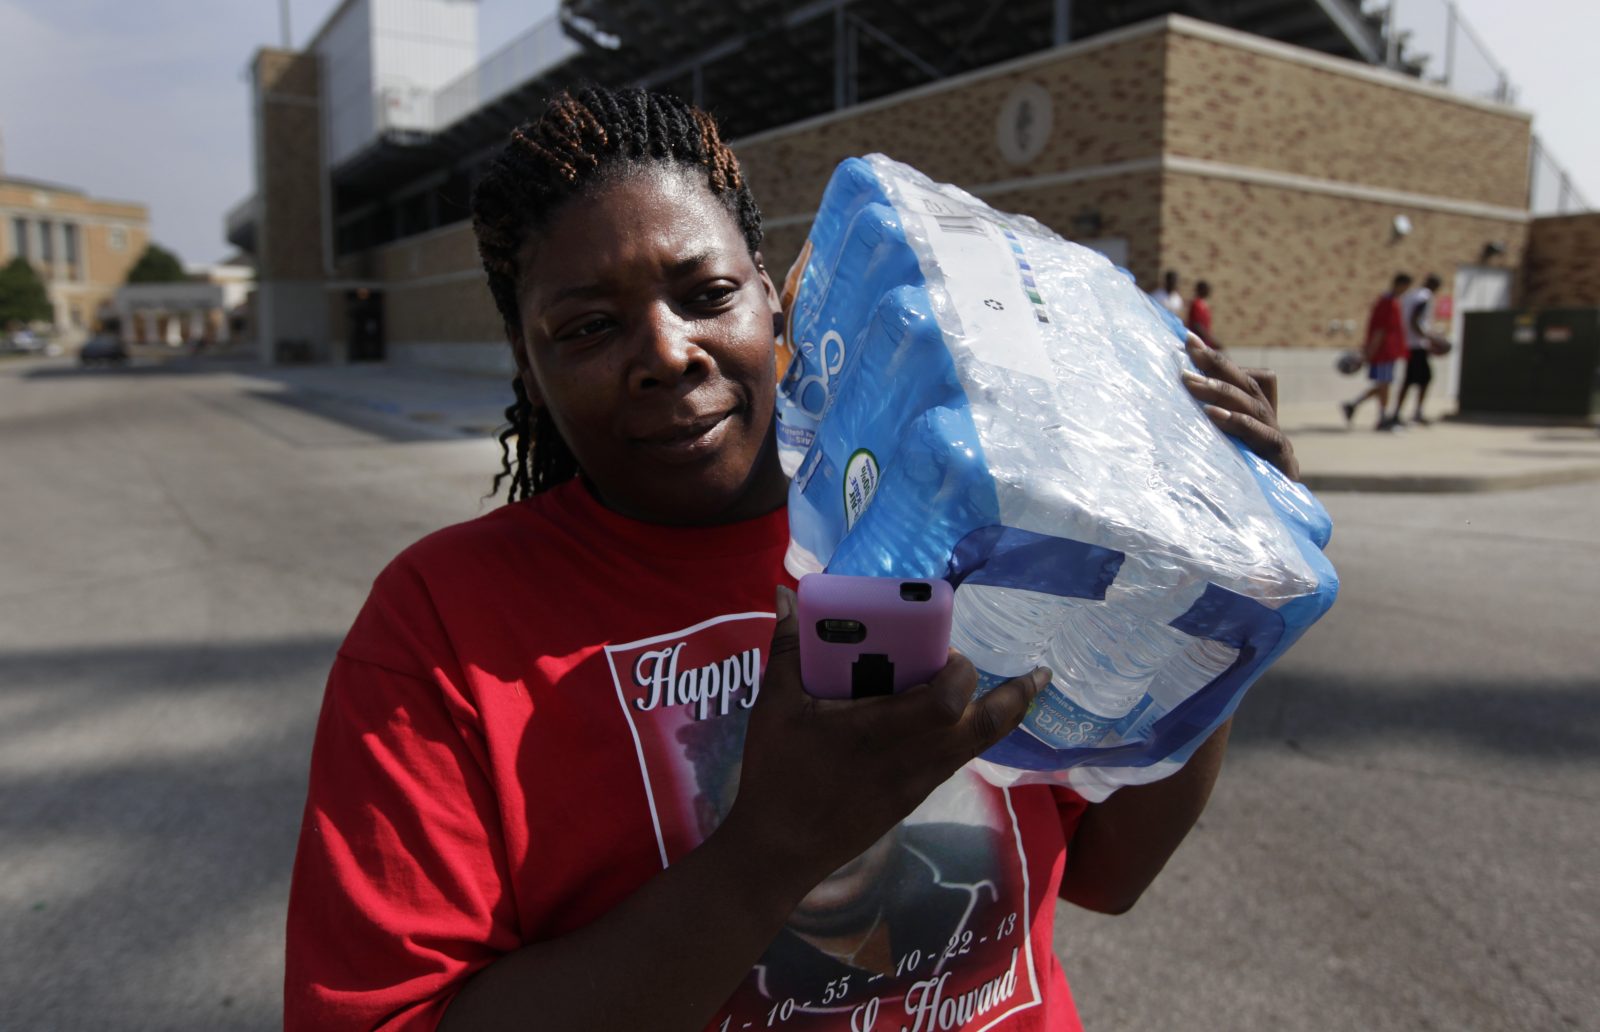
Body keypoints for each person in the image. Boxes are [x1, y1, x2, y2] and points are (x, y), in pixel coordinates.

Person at [284, 86, 1302, 1032]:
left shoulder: (945, 511)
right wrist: (771, 852)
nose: (666, 350)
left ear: (772, 298)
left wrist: (1211, 587)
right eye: (588, 326)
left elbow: (1110, 870)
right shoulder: (446, 624)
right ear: (528, 364)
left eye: (705, 292)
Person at [1342, 273, 1412, 432]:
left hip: (1388, 352)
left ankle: (1353, 405)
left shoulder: (1392, 302)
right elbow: (1379, 330)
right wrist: (1370, 352)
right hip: (1383, 352)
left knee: (1382, 384)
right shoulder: (1387, 303)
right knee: (1384, 385)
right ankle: (1382, 418)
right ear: (1399, 284)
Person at [1392, 273, 1444, 425]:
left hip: (1408, 343)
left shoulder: (1411, 295)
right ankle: (1415, 413)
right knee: (1424, 378)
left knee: (1410, 380)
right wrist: (1429, 338)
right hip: (1417, 345)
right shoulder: (1424, 297)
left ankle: (1399, 412)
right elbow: (1415, 320)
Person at [1186, 280, 1220, 349]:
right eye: (1207, 289)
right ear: (1201, 290)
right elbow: (1196, 325)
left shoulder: (1203, 304)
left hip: (1204, 342)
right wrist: (1210, 338)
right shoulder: (1196, 304)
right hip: (1197, 342)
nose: (1209, 291)